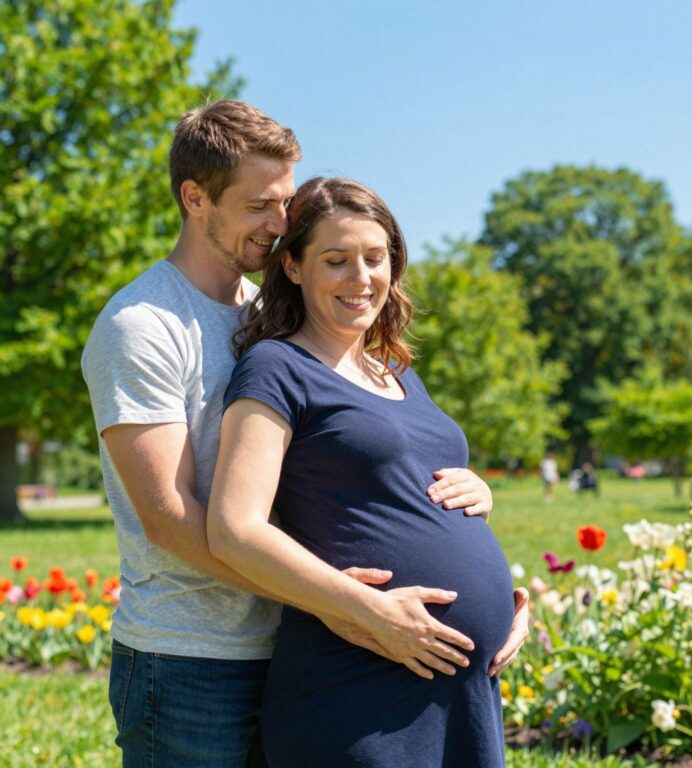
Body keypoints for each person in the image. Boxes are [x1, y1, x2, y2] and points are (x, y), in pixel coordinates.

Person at [81, 101, 528, 767]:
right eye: (261, 204)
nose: (282, 223)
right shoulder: (143, 326)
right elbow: (170, 518)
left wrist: (464, 502)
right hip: (193, 657)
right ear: (195, 197)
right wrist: (347, 602)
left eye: (287, 201)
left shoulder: (273, 317)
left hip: (298, 640)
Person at [206, 177, 515, 766]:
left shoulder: (398, 375)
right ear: (293, 267)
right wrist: (370, 609)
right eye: (336, 260)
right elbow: (233, 528)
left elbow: (399, 491)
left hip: (459, 693)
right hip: (358, 683)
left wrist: (485, 519)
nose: (361, 277)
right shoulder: (277, 368)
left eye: (375, 258)